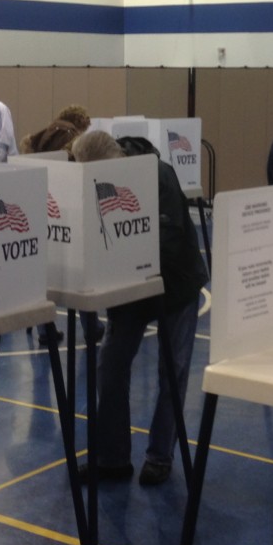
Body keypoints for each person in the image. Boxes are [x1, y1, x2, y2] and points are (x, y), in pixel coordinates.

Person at [72, 130, 208, 486]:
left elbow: (169, 234)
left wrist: (120, 263)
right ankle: (114, 458)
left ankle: (159, 456)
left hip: (175, 283)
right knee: (110, 368)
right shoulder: (98, 178)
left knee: (173, 372)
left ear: (113, 162)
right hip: (130, 288)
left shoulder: (157, 173)